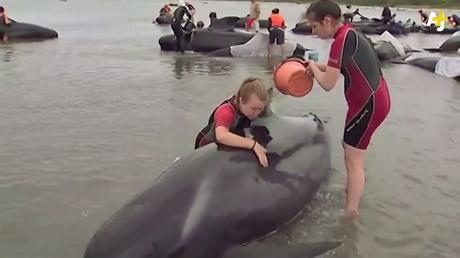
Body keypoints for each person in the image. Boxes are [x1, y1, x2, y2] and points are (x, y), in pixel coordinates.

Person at [305, 0, 391, 217]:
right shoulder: (350, 33)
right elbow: (341, 66)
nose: (314, 32)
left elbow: (327, 84)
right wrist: (314, 66)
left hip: (368, 104)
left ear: (327, 20)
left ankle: (350, 215)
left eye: (314, 26)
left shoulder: (340, 41)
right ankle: (353, 190)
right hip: (374, 99)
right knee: (351, 149)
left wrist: (314, 68)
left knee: (354, 159)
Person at [194, 77, 270, 167]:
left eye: (260, 109)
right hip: (207, 150)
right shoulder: (226, 111)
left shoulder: (252, 110)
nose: (256, 113)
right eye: (253, 109)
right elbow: (221, 136)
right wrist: (253, 145)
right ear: (241, 101)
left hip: (230, 148)